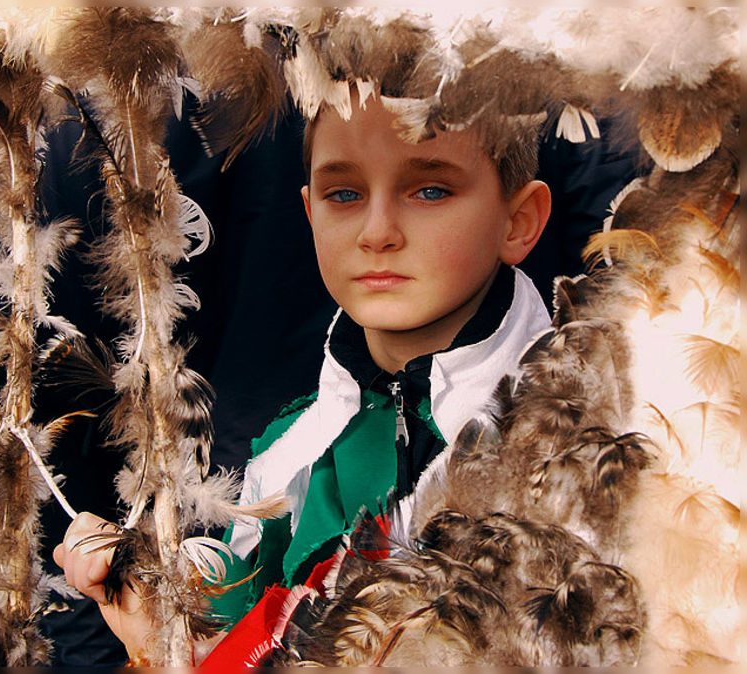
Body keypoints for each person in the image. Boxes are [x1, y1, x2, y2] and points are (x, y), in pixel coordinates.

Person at [53, 89, 552, 662]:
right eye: (345, 194)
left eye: (430, 190)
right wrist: (173, 601)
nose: (377, 232)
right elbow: (247, 609)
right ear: (311, 212)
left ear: (518, 221)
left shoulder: (582, 453)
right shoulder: (292, 451)